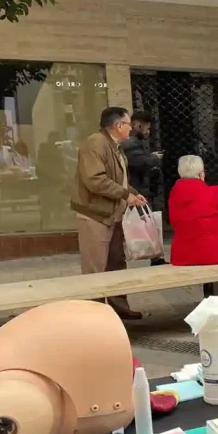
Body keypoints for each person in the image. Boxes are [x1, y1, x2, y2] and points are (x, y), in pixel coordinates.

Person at [70, 106, 148, 320]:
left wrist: (132, 193)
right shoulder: (95, 143)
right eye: (128, 124)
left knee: (116, 262)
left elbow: (117, 177)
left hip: (112, 212)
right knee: (95, 267)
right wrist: (125, 194)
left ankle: (118, 307)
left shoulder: (114, 145)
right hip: (96, 214)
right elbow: (95, 180)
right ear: (118, 125)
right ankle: (95, 314)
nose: (131, 128)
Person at [168, 155, 218, 267]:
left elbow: (174, 222)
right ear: (202, 174)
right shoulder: (215, 193)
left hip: (181, 256)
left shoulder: (174, 196)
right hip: (217, 253)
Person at [120, 111, 163, 206]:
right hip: (135, 191)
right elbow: (141, 162)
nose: (148, 132)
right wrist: (155, 158)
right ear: (138, 125)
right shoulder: (130, 142)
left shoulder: (134, 141)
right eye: (147, 128)